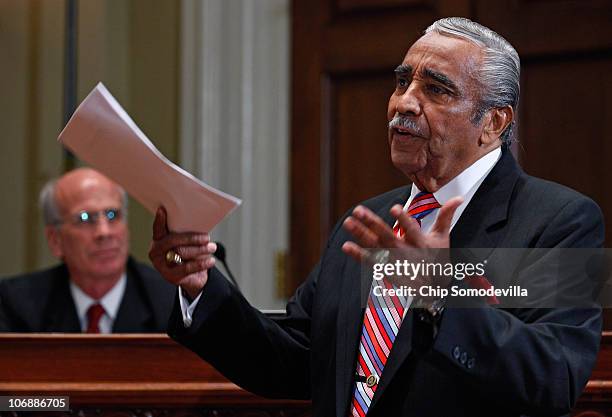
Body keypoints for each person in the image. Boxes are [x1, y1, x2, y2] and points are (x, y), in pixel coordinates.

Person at [148, 17, 603, 416]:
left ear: (494, 123)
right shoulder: (369, 221)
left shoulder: (562, 221)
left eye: (436, 89)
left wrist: (440, 295)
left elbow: (554, 377)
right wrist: (200, 288)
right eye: (402, 82)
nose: (404, 103)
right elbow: (298, 361)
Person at [0, 168, 174, 333]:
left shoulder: (168, 301)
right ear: (55, 240)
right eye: (85, 219)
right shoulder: (17, 305)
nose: (104, 232)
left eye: (113, 215)